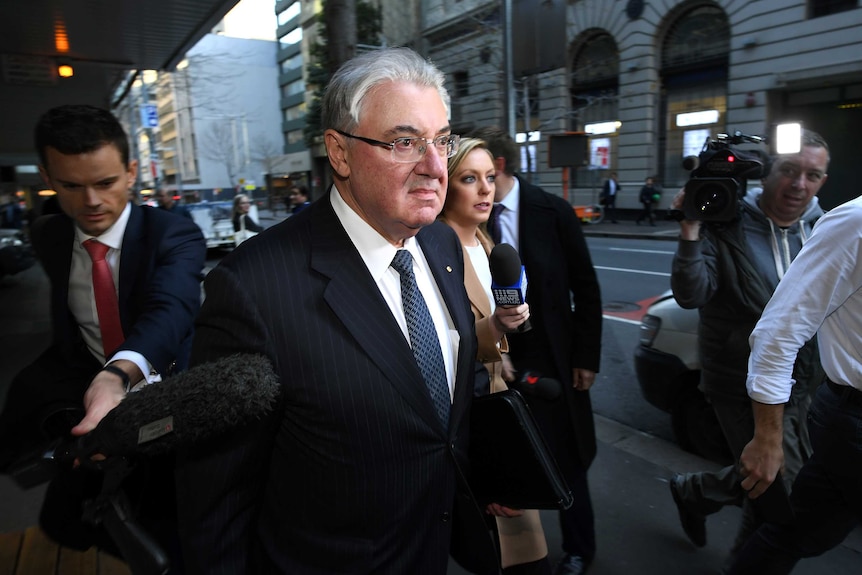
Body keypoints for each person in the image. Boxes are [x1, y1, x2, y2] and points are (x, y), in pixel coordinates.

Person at [175, 47, 500, 574]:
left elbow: (446, 395)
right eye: (404, 142)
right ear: (340, 152)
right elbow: (217, 497)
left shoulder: (441, 245)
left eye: (443, 140)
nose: (436, 167)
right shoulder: (253, 286)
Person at [0, 104, 206, 558]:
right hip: (89, 412)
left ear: (131, 172)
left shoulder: (175, 234)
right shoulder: (50, 236)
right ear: (46, 177)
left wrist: (116, 376)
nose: (91, 201)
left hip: (167, 404)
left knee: (178, 535)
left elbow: (171, 310)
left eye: (106, 182)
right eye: (72, 186)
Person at [667, 130, 830, 566]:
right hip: (739, 379)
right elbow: (691, 293)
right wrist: (691, 226)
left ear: (822, 181)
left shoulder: (825, 228)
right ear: (769, 172)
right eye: (790, 171)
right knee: (779, 490)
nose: (799, 184)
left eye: (812, 175)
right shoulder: (727, 219)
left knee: (772, 478)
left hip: (803, 378)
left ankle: (695, 492)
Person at [469, 126, 603, 575]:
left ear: (499, 167)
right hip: (495, 356)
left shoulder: (554, 211)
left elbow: (586, 287)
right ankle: (520, 554)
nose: (477, 187)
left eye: (483, 175)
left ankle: (580, 547)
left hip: (553, 355)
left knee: (569, 454)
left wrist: (586, 356)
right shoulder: (465, 218)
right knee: (511, 453)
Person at [726, 191, 862, 574]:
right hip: (852, 421)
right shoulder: (855, 223)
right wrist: (768, 438)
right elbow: (778, 333)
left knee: (801, 533)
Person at [438, 137, 549, 574]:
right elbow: (441, 342)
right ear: (445, 186)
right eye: (469, 179)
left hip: (500, 405)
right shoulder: (432, 248)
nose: (486, 189)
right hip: (468, 418)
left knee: (525, 556)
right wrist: (495, 329)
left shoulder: (488, 243)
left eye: (489, 177)